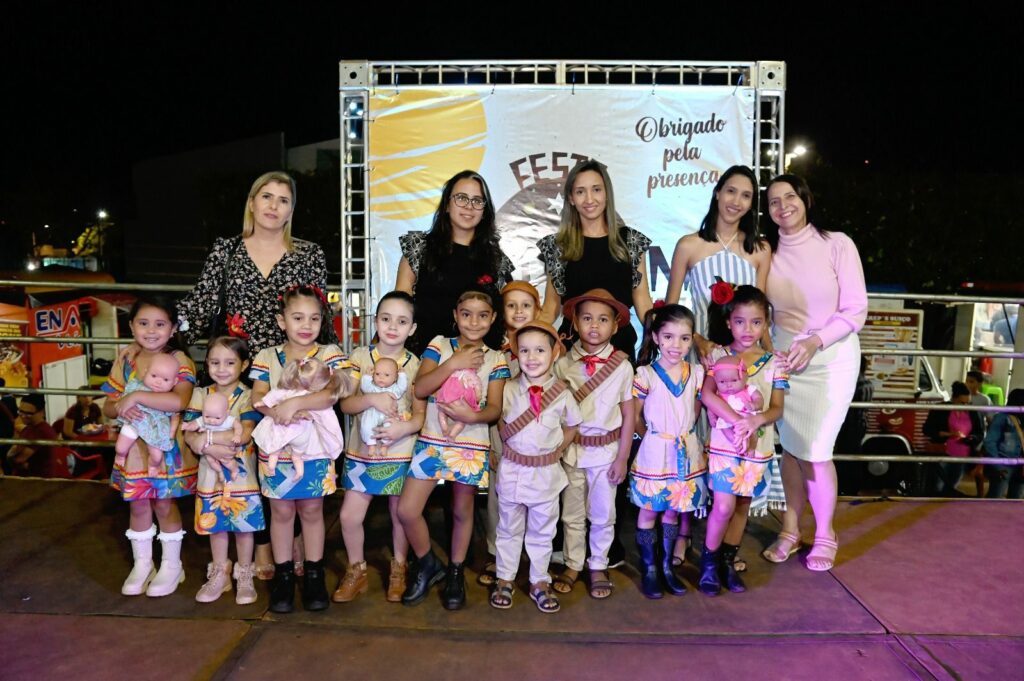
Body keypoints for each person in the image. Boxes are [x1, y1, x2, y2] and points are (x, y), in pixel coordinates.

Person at [177, 170, 335, 580]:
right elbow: (201, 304)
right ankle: (262, 545)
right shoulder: (227, 250)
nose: (273, 206)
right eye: (266, 196)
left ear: (291, 210)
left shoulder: (309, 253)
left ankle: (295, 539)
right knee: (249, 459)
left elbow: (320, 314)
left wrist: (329, 367)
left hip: (291, 375)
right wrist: (161, 341)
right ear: (251, 202)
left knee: (292, 453)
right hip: (238, 373)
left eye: (283, 200)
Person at [763, 174, 868, 572]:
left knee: (818, 450)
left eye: (790, 196)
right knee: (791, 448)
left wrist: (815, 342)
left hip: (831, 359)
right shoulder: (767, 252)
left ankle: (825, 533)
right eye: (774, 201)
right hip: (786, 360)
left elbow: (856, 309)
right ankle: (790, 529)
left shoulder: (837, 243)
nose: (783, 206)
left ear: (805, 199)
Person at [398, 290, 509, 610]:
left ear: (492, 318)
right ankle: (428, 562)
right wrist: (454, 363)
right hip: (433, 439)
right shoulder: (439, 345)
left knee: (462, 510)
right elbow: (421, 388)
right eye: (466, 314)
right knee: (407, 510)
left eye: (482, 315)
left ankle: (456, 572)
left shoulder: (496, 358)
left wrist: (473, 416)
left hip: (469, 443)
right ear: (455, 315)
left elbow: (494, 409)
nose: (474, 321)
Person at [249, 284, 351, 613]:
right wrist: (277, 412)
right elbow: (257, 396)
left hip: (315, 448)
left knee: (311, 510)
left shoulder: (329, 353)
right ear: (282, 321)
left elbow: (336, 392)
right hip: (277, 448)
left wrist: (295, 404)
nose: (306, 325)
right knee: (281, 512)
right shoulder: (267, 356)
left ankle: (314, 574)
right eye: (297, 318)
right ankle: (283, 576)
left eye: (314, 318)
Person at [101, 296, 196, 597]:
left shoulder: (179, 360)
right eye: (143, 323)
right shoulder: (126, 357)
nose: (151, 330)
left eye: (159, 324)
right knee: (138, 503)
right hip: (133, 450)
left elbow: (179, 400)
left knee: (164, 503)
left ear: (173, 328)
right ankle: (142, 564)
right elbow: (108, 405)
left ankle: (171, 565)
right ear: (131, 326)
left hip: (164, 448)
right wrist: (121, 408)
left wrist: (136, 398)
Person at [698, 285, 787, 596]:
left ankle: (727, 561)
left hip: (757, 448)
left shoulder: (774, 363)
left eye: (756, 322)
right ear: (728, 323)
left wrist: (756, 420)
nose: (747, 329)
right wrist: (739, 420)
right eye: (740, 321)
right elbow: (707, 394)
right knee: (723, 506)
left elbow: (776, 408)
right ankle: (709, 564)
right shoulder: (719, 356)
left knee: (743, 504)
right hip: (725, 445)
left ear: (766, 324)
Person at [337, 291, 425, 603]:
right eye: (386, 319)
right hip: (362, 452)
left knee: (400, 514)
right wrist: (371, 399)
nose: (392, 327)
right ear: (375, 321)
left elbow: (420, 415)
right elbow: (345, 405)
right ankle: (356, 569)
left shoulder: (416, 365)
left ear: (412, 328)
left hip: (400, 451)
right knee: (349, 516)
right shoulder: (360, 357)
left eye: (401, 321)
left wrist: (405, 427)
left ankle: (399, 567)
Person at [490, 320, 581, 613]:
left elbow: (572, 425)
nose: (531, 357)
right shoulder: (507, 389)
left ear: (554, 353)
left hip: (545, 475)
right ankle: (505, 578)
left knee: (543, 531)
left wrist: (556, 450)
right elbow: (497, 419)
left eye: (540, 350)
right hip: (512, 471)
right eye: (525, 350)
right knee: (508, 528)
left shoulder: (563, 393)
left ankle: (539, 580)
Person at [552, 289, 635, 600]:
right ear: (575, 322)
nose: (594, 325)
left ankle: (598, 563)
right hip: (571, 452)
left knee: (603, 513)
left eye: (603, 319)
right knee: (571, 514)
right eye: (587, 318)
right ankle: (573, 563)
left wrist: (623, 458)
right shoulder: (562, 363)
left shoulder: (622, 366)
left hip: (606, 454)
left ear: (615, 326)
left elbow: (629, 414)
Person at [538, 159, 654, 363]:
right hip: (573, 351)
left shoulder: (631, 241)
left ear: (607, 194)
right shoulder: (558, 246)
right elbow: (550, 307)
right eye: (580, 191)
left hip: (619, 351)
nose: (589, 199)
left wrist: (668, 332)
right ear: (571, 198)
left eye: (596, 189)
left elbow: (643, 302)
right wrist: (526, 336)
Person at [629, 304, 707, 599]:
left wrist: (684, 436)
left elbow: (695, 409)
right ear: (656, 337)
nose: (677, 345)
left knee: (672, 510)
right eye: (669, 337)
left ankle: (666, 567)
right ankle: (649, 569)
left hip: (684, 452)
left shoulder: (696, 373)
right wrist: (651, 437)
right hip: (655, 452)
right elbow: (635, 415)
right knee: (650, 510)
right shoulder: (645, 374)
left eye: (684, 338)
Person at [182, 336, 265, 605]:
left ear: (244, 365)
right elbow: (189, 435)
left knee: (243, 527)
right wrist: (201, 442)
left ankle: (245, 572)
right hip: (209, 476)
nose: (221, 368)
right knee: (216, 525)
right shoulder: (200, 394)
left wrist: (206, 441)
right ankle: (220, 571)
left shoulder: (248, 396)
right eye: (215, 362)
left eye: (230, 362)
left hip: (242, 476)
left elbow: (244, 434)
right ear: (206, 363)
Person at [397, 170, 514, 355]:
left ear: (484, 211)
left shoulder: (496, 259)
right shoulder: (418, 249)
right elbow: (399, 306)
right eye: (461, 198)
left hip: (480, 362)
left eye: (477, 201)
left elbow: (508, 314)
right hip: (424, 359)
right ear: (446, 205)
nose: (469, 206)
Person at [665, 165, 772, 353]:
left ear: (751, 204)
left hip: (747, 357)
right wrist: (697, 339)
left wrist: (770, 354)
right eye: (731, 191)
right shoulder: (688, 245)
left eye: (746, 196)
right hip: (702, 353)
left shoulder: (760, 250)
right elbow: (670, 310)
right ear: (717, 193)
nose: (736, 201)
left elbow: (760, 312)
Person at [479, 281, 543, 588]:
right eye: (511, 305)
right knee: (499, 497)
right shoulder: (495, 355)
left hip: (538, 443)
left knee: (538, 499)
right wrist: (493, 445)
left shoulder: (548, 350)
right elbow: (491, 405)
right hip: (502, 439)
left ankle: (534, 556)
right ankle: (497, 553)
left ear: (537, 310)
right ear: (501, 312)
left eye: (526, 305)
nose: (519, 311)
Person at [252, 357, 346, 481]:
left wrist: (299, 409)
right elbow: (267, 396)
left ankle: (296, 471)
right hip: (284, 427)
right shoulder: (286, 389)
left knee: (295, 453)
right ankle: (273, 466)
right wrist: (270, 408)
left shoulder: (314, 395)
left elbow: (327, 401)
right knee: (276, 447)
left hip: (305, 438)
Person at [112, 353, 182, 477]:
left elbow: (175, 417)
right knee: (120, 447)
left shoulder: (169, 397)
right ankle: (120, 455)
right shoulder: (135, 385)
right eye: (154, 376)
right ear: (145, 372)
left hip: (155, 431)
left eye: (166, 380)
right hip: (134, 421)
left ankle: (153, 465)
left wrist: (170, 434)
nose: (158, 382)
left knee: (157, 457)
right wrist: (125, 407)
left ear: (174, 382)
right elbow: (122, 401)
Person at [923, 381, 983, 497]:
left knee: (951, 487)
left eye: (968, 403)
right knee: (936, 487)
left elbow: (980, 433)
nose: (965, 406)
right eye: (962, 403)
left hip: (962, 457)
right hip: (942, 454)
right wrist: (948, 434)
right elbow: (927, 429)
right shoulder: (940, 409)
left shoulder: (973, 412)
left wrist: (972, 438)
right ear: (953, 399)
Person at [6, 393, 65, 478]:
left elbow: (18, 460)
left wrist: (10, 456)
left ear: (41, 412)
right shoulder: (30, 427)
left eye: (28, 413)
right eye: (20, 411)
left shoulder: (41, 431)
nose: (23, 416)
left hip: (36, 481)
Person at [984, 388, 1024, 499]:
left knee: (1016, 499)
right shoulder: (1002, 418)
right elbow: (990, 442)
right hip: (1004, 463)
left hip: (1020, 465)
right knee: (995, 498)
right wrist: (998, 465)